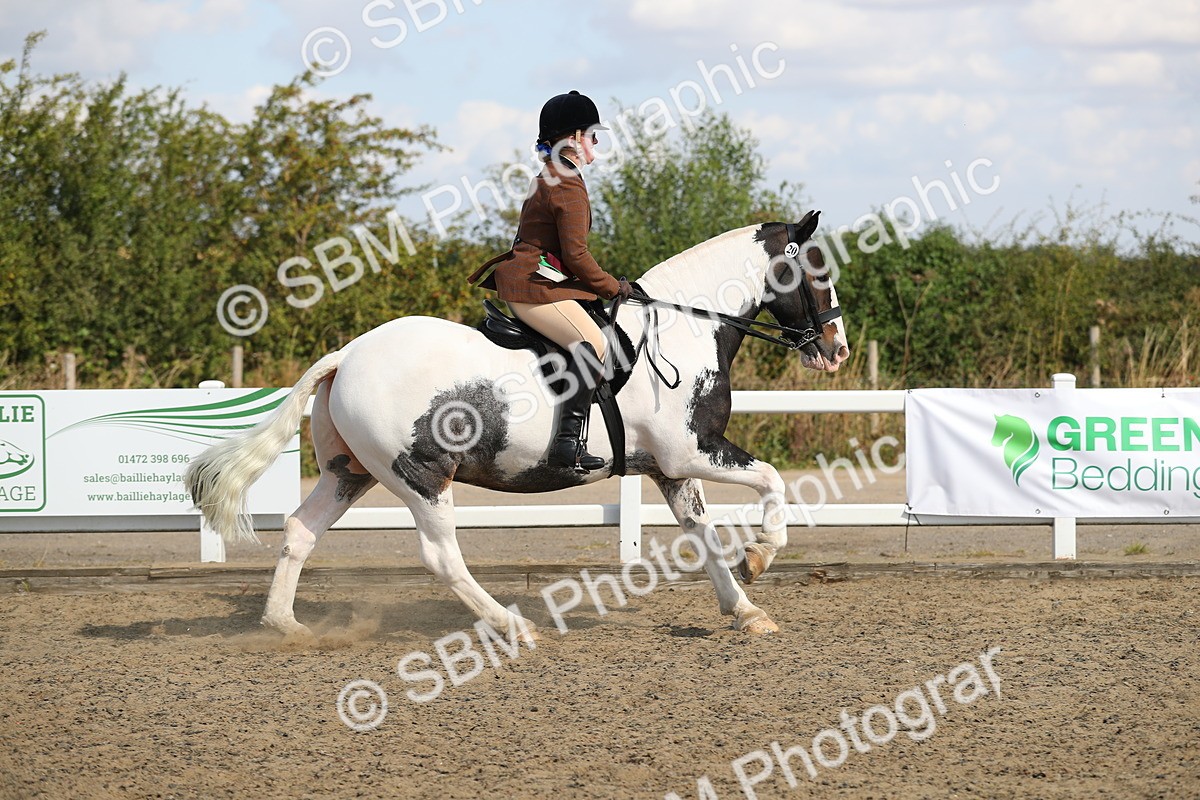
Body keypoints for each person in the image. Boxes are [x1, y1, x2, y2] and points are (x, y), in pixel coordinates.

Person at [468, 90, 632, 473]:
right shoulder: (568, 182)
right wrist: (612, 287)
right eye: (593, 135)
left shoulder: (548, 174)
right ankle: (566, 444)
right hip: (532, 286)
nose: (596, 143)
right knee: (593, 343)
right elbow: (576, 255)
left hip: (529, 278)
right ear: (575, 137)